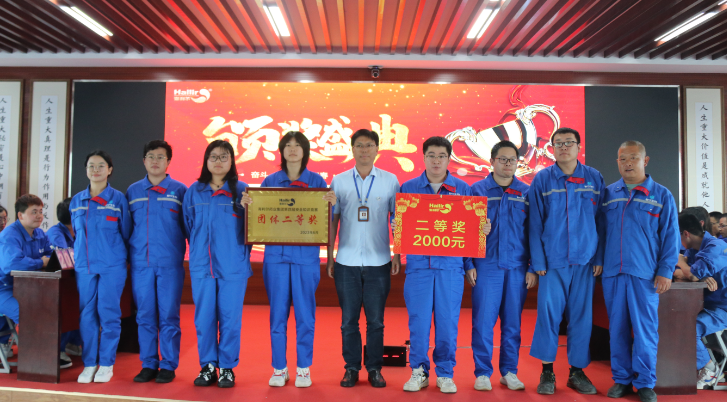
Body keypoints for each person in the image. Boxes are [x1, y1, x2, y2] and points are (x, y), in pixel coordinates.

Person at [241, 131, 336, 388]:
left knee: (305, 315)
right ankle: (279, 367)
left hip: (306, 260)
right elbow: (258, 217)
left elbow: (324, 222)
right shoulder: (270, 181)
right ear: (282, 151)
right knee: (277, 315)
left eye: (297, 146)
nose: (293, 150)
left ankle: (303, 368)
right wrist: (248, 204)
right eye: (288, 146)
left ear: (305, 151)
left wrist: (332, 204)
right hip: (276, 258)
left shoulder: (317, 181)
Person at [597, 141, 678, 402]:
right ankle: (621, 379)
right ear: (617, 162)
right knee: (617, 329)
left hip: (645, 275)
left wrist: (666, 270)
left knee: (645, 331)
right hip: (613, 273)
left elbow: (671, 237)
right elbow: (600, 233)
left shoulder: (661, 195)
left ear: (645, 160)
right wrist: (599, 260)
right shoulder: (609, 194)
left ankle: (645, 382)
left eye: (633, 158)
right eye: (623, 159)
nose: (628, 163)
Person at [528, 127, 604, 395]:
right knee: (548, 316)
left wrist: (599, 256)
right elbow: (534, 223)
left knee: (581, 318)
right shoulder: (543, 179)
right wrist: (537, 261)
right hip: (553, 262)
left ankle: (577, 372)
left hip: (585, 262)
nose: (563, 147)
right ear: (552, 148)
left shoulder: (594, 177)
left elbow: (601, 221)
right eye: (558, 143)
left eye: (568, 142)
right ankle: (547, 372)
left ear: (579, 146)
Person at [398, 136, 473, 394]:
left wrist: (480, 232)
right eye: (431, 155)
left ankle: (445, 373)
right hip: (419, 267)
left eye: (442, 156)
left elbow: (470, 232)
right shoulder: (408, 188)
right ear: (424, 157)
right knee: (418, 323)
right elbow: (399, 225)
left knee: (448, 322)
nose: (436, 160)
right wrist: (396, 225)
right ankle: (418, 370)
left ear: (449, 159)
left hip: (450, 268)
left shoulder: (463, 188)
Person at [327, 129, 400, 388]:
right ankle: (351, 368)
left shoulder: (391, 181)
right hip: (346, 261)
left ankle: (375, 369)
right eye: (359, 145)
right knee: (348, 321)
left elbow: (399, 220)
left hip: (379, 261)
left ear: (377, 149)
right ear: (352, 149)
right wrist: (330, 256)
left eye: (369, 145)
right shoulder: (339, 181)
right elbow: (333, 220)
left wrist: (397, 253)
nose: (364, 150)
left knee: (376, 321)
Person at [183, 140, 252, 388]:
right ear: (206, 161)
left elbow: (252, 229)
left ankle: (227, 368)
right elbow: (188, 226)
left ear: (232, 161)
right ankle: (208, 366)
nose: (218, 161)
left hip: (233, 268)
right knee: (204, 319)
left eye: (224, 157)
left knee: (230, 320)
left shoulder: (242, 191)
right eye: (213, 157)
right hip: (202, 266)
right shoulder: (194, 191)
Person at [469, 140, 536, 392]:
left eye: (512, 160)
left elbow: (534, 232)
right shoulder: (477, 191)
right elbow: (464, 230)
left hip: (517, 267)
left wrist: (532, 267)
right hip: (486, 266)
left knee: (512, 324)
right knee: (483, 322)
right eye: (503, 159)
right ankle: (482, 372)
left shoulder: (526, 192)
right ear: (492, 161)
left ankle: (509, 371)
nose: (508, 164)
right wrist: (469, 264)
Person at [126, 140, 187, 384]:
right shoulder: (133, 192)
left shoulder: (180, 191)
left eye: (160, 157)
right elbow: (126, 229)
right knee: (145, 315)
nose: (155, 161)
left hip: (170, 265)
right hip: (141, 265)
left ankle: (168, 365)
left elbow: (188, 227)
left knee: (169, 315)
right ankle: (148, 363)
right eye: (150, 156)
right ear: (144, 161)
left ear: (168, 162)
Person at [70, 150, 131, 383]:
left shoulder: (118, 199)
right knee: (87, 316)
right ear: (86, 170)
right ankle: (89, 364)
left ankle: (106, 363)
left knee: (109, 313)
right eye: (91, 166)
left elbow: (126, 232)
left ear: (109, 170)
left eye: (101, 165)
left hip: (112, 266)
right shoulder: (77, 201)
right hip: (84, 267)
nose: (95, 170)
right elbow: (76, 235)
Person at [0, 195, 63, 366]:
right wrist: (40, 262)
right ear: (20, 215)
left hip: (29, 286)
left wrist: (45, 260)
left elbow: (52, 257)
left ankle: (50, 355)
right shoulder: (9, 236)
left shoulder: (40, 233)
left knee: (52, 308)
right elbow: (11, 265)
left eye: (41, 211)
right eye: (34, 212)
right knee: (30, 314)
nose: (39, 216)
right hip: (5, 288)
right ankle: (36, 362)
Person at [676, 213, 727, 389]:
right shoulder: (694, 248)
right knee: (676, 321)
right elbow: (677, 273)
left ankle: (709, 369)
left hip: (722, 308)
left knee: (687, 328)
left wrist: (682, 262)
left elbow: (691, 274)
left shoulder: (715, 247)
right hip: (708, 305)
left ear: (686, 233)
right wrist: (696, 274)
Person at [46, 197, 83, 361]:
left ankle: (73, 343)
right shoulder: (56, 232)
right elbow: (65, 256)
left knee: (78, 304)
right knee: (66, 307)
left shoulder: (80, 230)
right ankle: (58, 348)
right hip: (52, 284)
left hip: (73, 279)